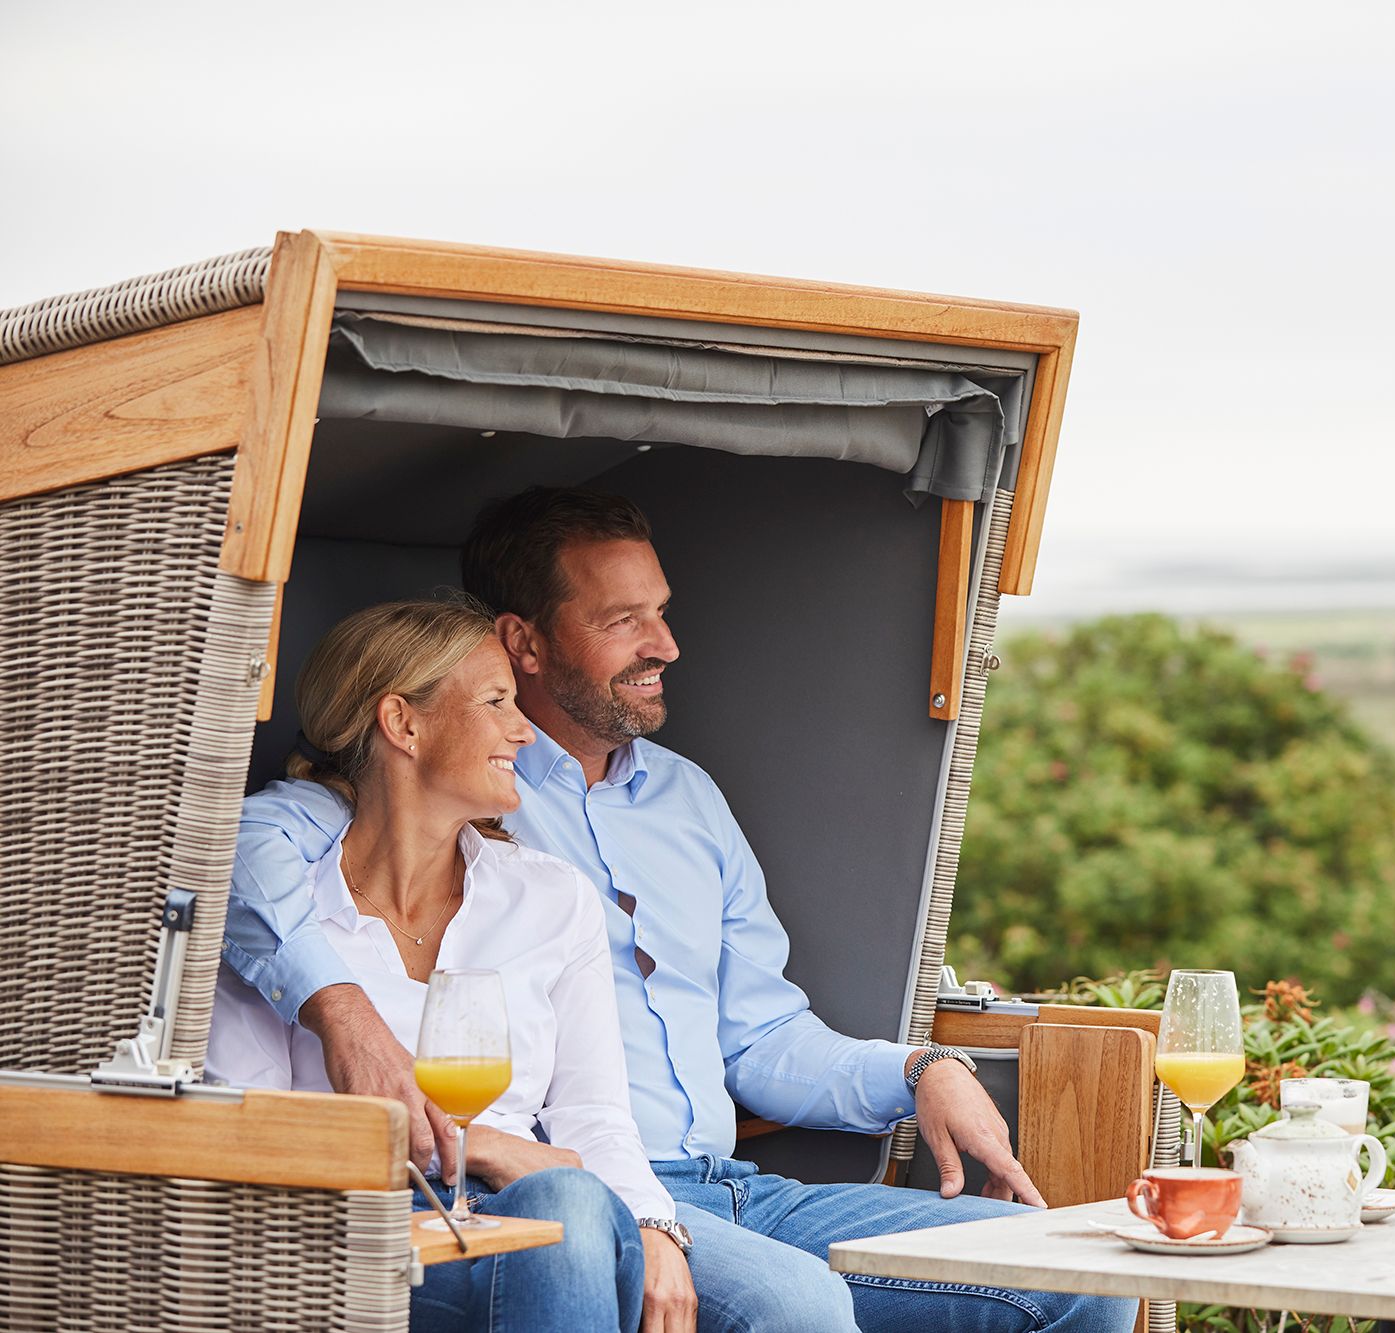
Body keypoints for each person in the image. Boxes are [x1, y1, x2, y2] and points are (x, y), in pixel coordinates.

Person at [225, 488, 1137, 1333]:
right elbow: (237, 853)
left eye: (661, 612)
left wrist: (919, 1067)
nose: (663, 644)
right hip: (584, 1190)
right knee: (792, 1307)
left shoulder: (687, 801)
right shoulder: (447, 795)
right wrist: (343, 1011)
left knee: (1078, 1280)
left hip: (741, 1186)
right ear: (525, 643)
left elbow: (760, 1035)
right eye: (624, 620)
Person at [209, 600, 684, 1333]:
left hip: (552, 1212)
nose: (525, 729)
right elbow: (250, 1132)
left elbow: (595, 1115)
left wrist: (653, 1224)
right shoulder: (274, 921)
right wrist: (484, 1146)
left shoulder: (553, 898)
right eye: (497, 702)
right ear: (402, 723)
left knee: (580, 1214)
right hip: (365, 1228)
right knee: (565, 1208)